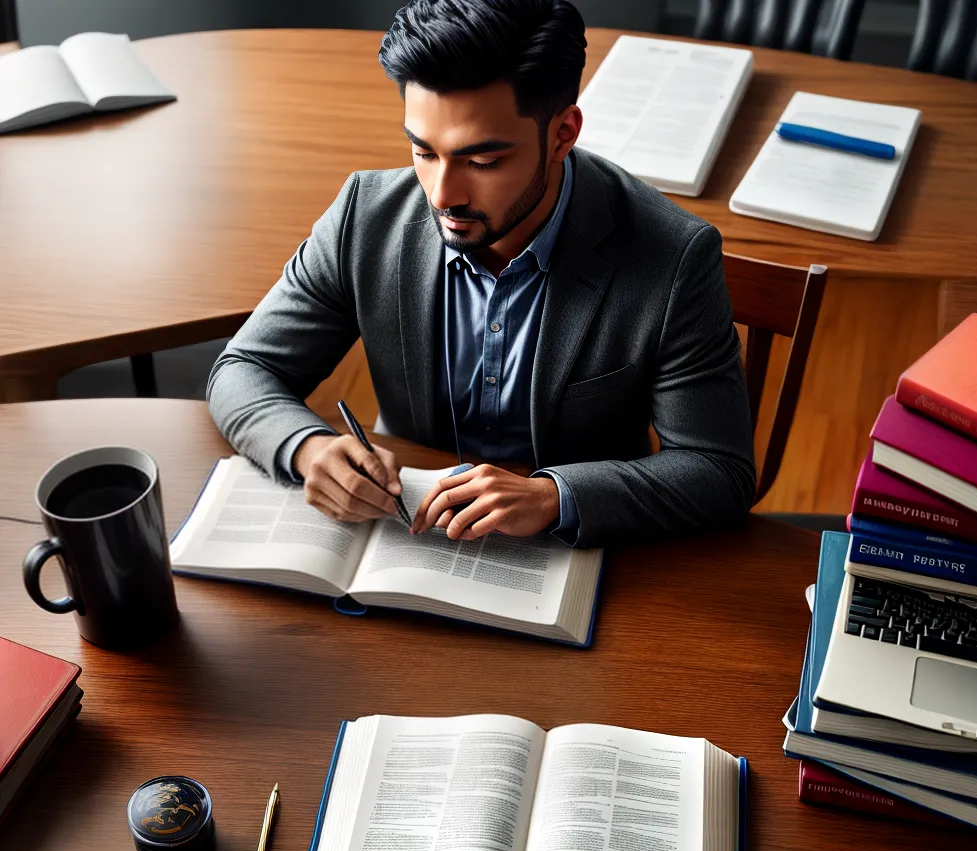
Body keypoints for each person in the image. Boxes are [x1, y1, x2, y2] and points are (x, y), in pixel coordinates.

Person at [207, 0, 755, 548]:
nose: (442, 195)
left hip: (575, 556)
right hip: (407, 536)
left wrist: (553, 495)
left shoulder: (674, 256)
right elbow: (243, 368)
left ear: (563, 134)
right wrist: (307, 448)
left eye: (483, 162)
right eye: (423, 151)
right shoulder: (364, 216)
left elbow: (718, 470)